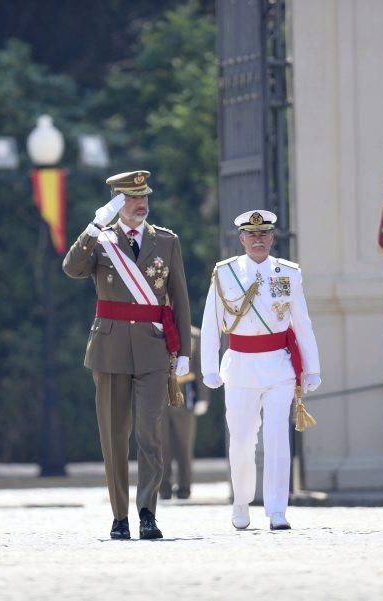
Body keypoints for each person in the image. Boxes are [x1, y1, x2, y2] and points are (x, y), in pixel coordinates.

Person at [62, 170, 192, 540]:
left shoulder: (166, 241)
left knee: (150, 433)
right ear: (117, 203)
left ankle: (147, 512)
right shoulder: (100, 241)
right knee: (114, 436)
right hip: (110, 347)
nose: (141, 203)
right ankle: (120, 515)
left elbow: (179, 297)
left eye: (144, 196)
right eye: (132, 198)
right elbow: (71, 269)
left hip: (153, 349)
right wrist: (92, 227)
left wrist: (182, 349)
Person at [200, 210, 320, 530]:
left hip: (278, 365)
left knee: (278, 438)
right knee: (241, 441)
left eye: (264, 234)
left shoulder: (288, 272)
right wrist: (209, 366)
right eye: (251, 235)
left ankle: (277, 508)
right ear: (241, 239)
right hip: (239, 366)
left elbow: (301, 322)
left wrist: (311, 368)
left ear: (272, 237)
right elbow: (211, 323)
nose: (258, 240)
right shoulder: (224, 273)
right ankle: (241, 501)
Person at [160, 326, 210, 500]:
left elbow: (200, 368)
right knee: (161, 445)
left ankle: (184, 487)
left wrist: (203, 398)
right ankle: (163, 487)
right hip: (160, 395)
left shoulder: (194, 335)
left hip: (185, 395)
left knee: (184, 446)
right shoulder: (156, 329)